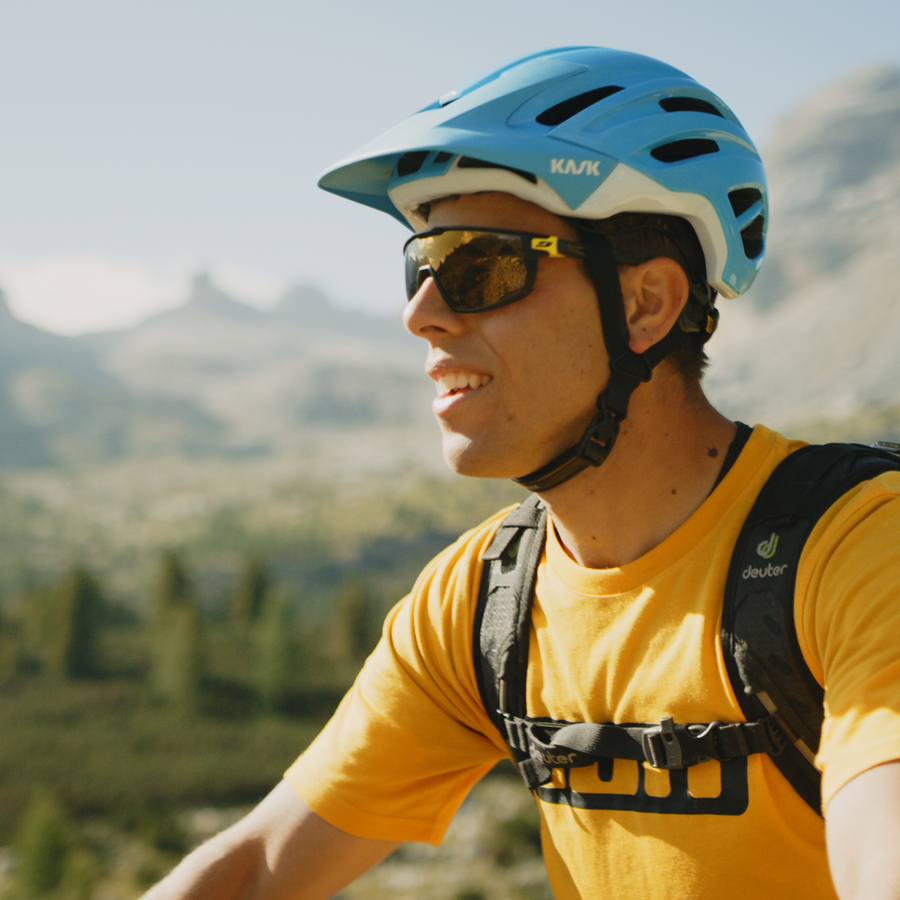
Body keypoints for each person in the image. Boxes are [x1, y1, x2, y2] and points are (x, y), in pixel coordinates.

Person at [142, 47, 900, 900]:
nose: (419, 314)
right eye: (419, 266)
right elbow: (251, 873)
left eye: (478, 266)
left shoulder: (862, 549)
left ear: (647, 304)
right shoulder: (482, 600)